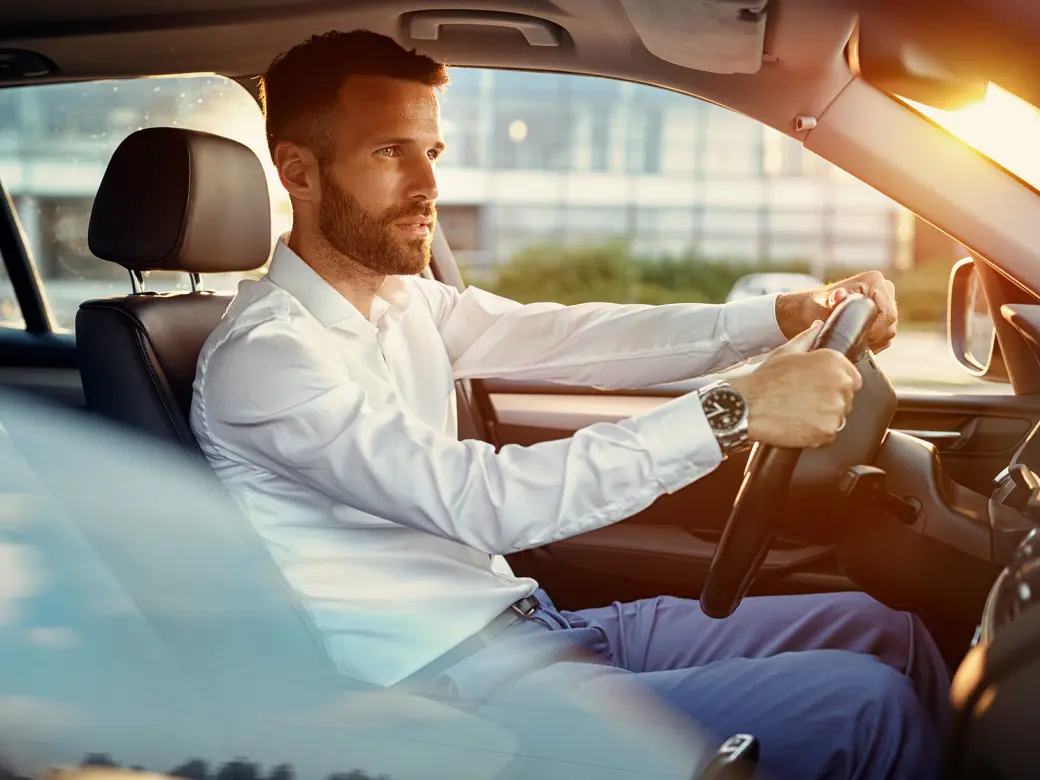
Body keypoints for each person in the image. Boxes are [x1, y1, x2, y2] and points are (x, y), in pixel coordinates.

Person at [189, 30, 949, 780]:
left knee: (892, 634)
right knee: (865, 706)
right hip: (455, 691)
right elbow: (479, 502)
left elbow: (576, 337)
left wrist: (783, 313)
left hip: (541, 625)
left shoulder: (402, 302)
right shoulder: (265, 361)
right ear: (299, 172)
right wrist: (732, 411)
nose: (428, 183)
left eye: (433, 152)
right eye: (391, 152)